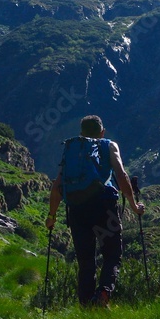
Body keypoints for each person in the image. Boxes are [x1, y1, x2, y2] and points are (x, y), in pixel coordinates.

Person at [46, 115, 145, 307]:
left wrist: (51, 216)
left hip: (76, 209)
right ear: (102, 132)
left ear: (81, 133)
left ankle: (86, 308)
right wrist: (133, 206)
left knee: (85, 260)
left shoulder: (72, 148)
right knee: (112, 254)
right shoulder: (109, 145)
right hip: (104, 206)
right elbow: (121, 175)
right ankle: (103, 295)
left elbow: (57, 185)